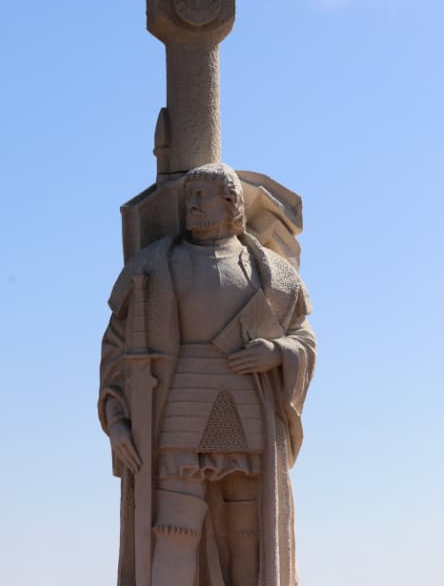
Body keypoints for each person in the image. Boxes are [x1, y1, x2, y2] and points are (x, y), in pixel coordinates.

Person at [98, 163, 316, 586]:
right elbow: (116, 347)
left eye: (203, 196)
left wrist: (275, 351)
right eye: (189, 197)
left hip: (249, 406)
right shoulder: (152, 267)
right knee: (175, 527)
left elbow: (303, 339)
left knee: (247, 531)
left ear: (232, 202)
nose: (192, 204)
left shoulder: (273, 273)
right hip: (176, 408)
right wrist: (117, 417)